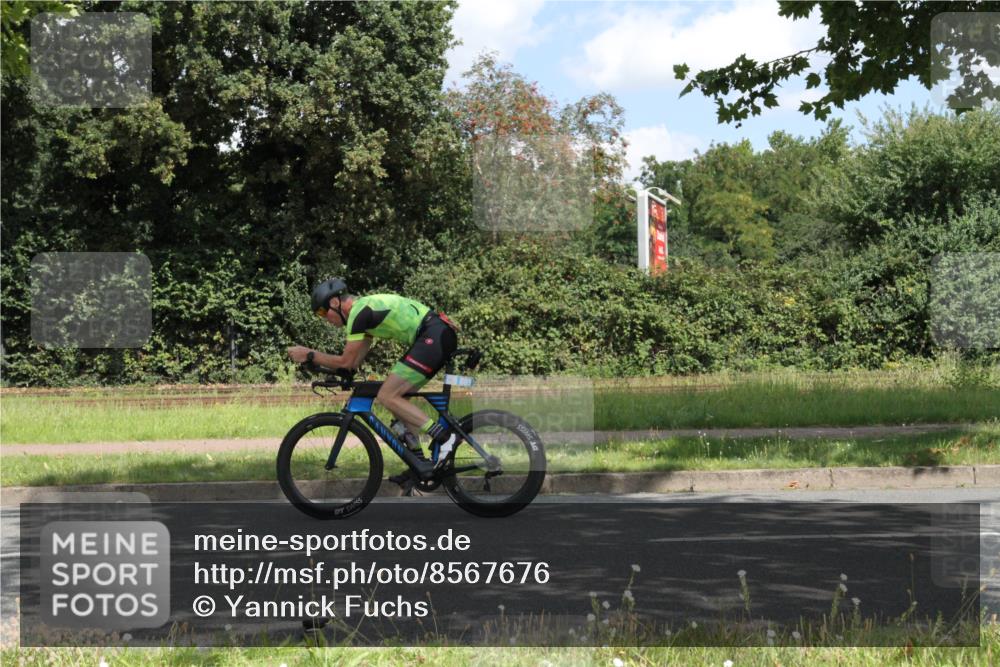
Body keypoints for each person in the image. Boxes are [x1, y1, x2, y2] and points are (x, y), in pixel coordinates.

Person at [286, 278, 459, 485]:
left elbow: (346, 360)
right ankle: (420, 465)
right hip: (434, 334)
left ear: (334, 303)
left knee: (387, 395)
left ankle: (445, 437)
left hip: (433, 334)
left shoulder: (360, 312)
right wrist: (320, 366)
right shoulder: (363, 320)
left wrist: (309, 354)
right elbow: (350, 366)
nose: (324, 319)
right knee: (398, 401)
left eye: (323, 313)